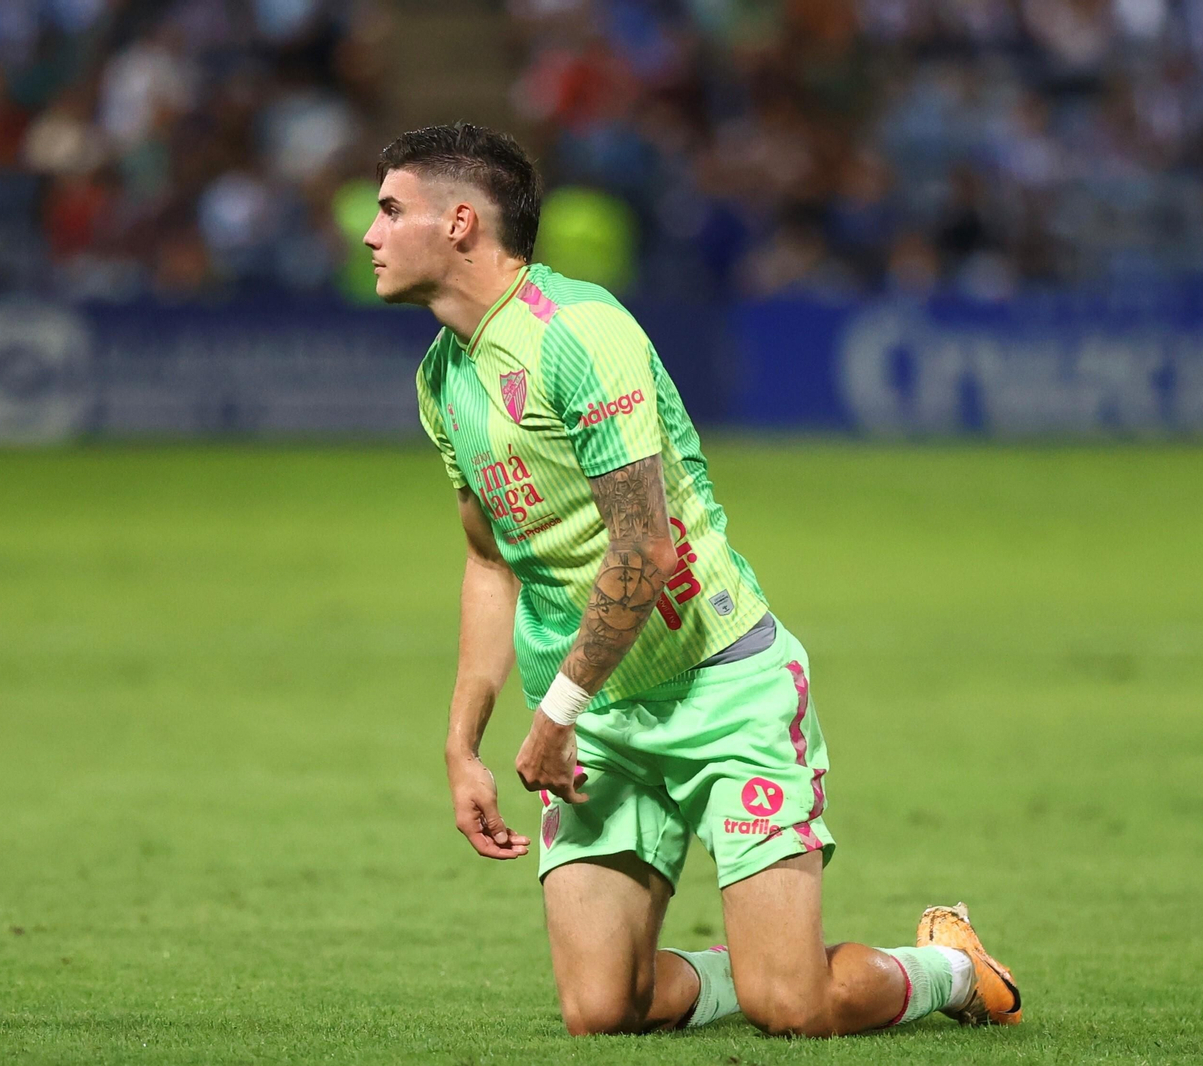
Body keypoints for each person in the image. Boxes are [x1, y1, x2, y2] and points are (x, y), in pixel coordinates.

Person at [365, 122, 1023, 1037]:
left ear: (460, 223)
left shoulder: (578, 334)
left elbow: (645, 550)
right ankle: (757, 963)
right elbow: (489, 560)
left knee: (792, 1007)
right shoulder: (443, 379)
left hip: (720, 685)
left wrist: (553, 716)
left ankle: (951, 968)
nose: (370, 234)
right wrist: (461, 743)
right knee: (603, 1010)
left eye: (391, 210)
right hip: (601, 719)